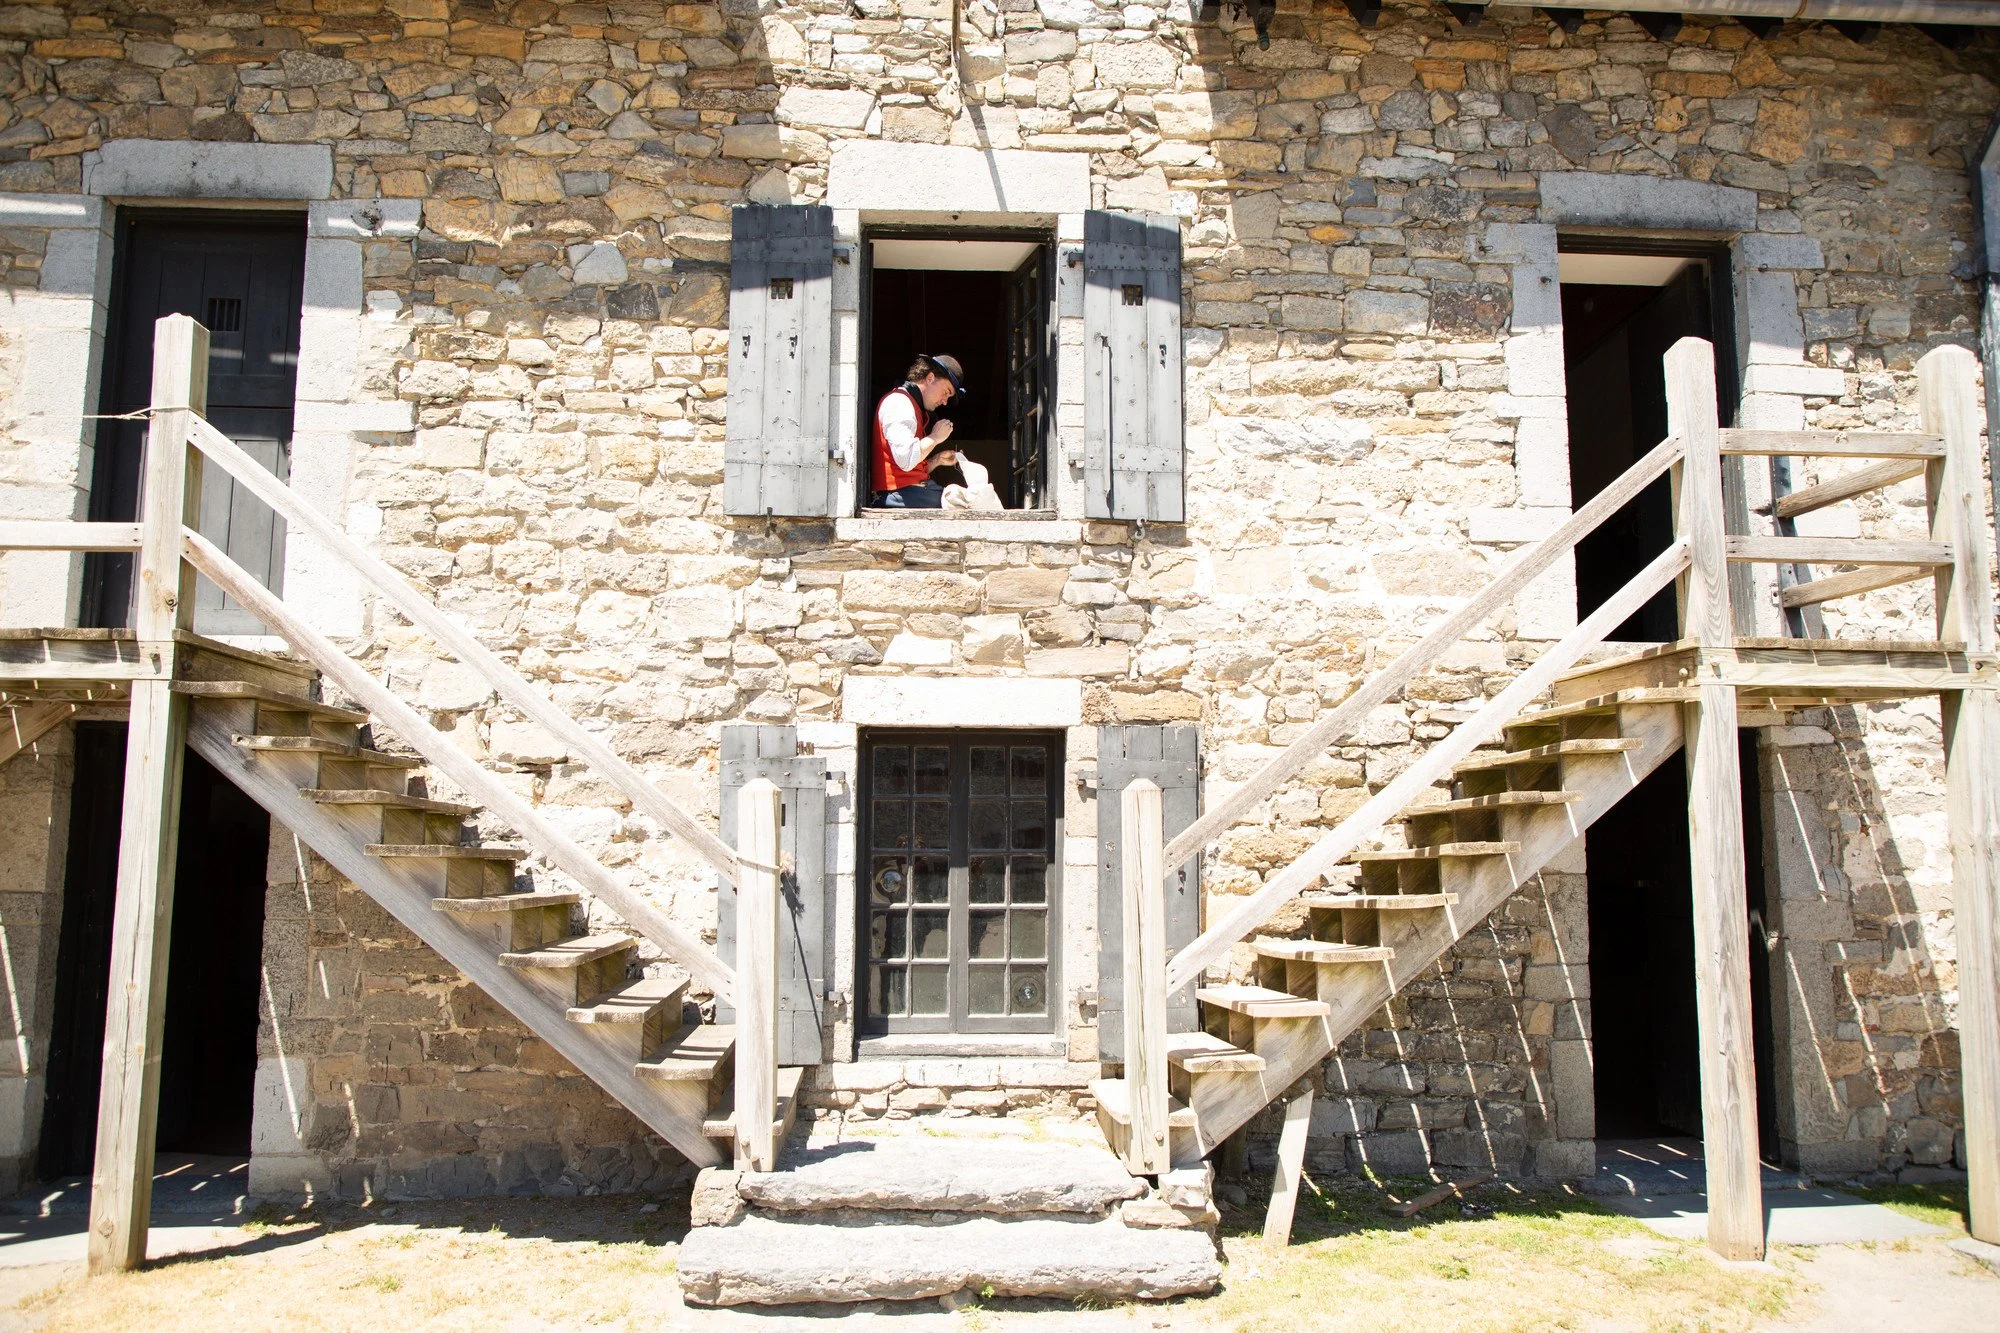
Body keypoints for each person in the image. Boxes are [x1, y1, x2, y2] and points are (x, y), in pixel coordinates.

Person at [871, 353, 967, 509]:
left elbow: (908, 469)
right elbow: (906, 460)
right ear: (930, 378)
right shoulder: (899, 403)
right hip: (898, 496)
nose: (944, 402)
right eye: (946, 392)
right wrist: (935, 437)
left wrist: (937, 460)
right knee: (966, 505)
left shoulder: (914, 407)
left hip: (909, 494)